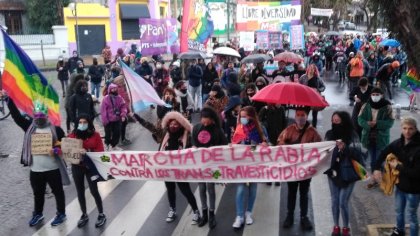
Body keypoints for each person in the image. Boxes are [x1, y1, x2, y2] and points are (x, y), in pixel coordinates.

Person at [2, 91, 68, 227]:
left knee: (58, 192)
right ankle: (38, 213)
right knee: (38, 193)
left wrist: (56, 150)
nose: (39, 118)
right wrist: (8, 100)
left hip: (53, 168)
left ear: (46, 115)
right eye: (36, 116)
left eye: (41, 116)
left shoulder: (56, 130)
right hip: (36, 169)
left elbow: (66, 146)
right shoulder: (29, 128)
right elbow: (16, 117)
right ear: (33, 116)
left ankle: (61, 213)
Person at [373, 117, 420, 236]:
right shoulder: (398, 143)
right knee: (399, 212)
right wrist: (376, 168)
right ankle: (400, 231)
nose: (407, 132)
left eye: (410, 129)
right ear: (401, 128)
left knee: (412, 216)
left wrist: (397, 167)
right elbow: (384, 152)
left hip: (414, 190)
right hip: (400, 187)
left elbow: (416, 173)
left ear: (415, 129)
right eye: (404, 128)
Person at [277, 107, 322, 231]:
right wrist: (288, 146)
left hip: (305, 169)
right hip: (292, 169)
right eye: (298, 115)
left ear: (306, 116)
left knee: (304, 193)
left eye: (303, 115)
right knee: (291, 193)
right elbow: (280, 142)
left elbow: (320, 147)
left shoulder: (313, 132)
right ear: (295, 116)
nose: (300, 117)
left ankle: (304, 217)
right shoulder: (289, 129)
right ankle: (289, 216)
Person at [159, 111, 202, 224]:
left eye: (176, 124)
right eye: (171, 123)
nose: (173, 126)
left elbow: (194, 148)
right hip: (167, 169)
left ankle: (196, 211)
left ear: (181, 125)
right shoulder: (165, 134)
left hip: (181, 170)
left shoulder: (187, 135)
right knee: (170, 190)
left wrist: (193, 147)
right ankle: (172, 209)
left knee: (186, 191)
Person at [324, 111, 362, 236]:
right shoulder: (329, 134)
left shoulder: (352, 135)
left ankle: (345, 228)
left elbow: (358, 154)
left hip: (348, 173)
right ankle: (336, 226)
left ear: (344, 121)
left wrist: (345, 148)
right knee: (334, 201)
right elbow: (324, 153)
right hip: (334, 173)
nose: (334, 123)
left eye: (337, 121)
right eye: (333, 121)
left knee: (342, 202)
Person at [231, 106, 267, 229]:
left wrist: (264, 144)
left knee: (252, 189)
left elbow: (267, 144)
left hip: (255, 164)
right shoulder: (239, 128)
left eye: (244, 116)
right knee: (240, 189)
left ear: (251, 116)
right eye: (241, 116)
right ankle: (239, 216)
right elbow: (234, 144)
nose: (242, 119)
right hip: (241, 164)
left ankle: (248, 213)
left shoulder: (260, 129)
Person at [191, 107, 228, 229]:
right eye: (203, 121)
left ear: (212, 120)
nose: (205, 124)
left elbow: (225, 146)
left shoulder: (218, 130)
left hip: (214, 166)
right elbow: (193, 144)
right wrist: (195, 148)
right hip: (200, 165)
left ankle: (212, 214)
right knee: (201, 188)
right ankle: (204, 213)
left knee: (211, 188)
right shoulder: (196, 128)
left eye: (207, 122)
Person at [68, 115, 107, 228]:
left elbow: (100, 151)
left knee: (94, 190)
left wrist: (87, 151)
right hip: (77, 167)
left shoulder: (96, 135)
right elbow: (67, 149)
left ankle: (101, 213)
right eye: (80, 122)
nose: (82, 124)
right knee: (80, 192)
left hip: (90, 167)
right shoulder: (73, 135)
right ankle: (84, 214)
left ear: (89, 123)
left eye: (85, 122)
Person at [358, 87, 394, 189]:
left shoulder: (387, 107)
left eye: (377, 95)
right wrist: (367, 124)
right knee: (372, 160)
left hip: (381, 138)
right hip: (368, 137)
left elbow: (390, 122)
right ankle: (375, 179)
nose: (375, 97)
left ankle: (381, 180)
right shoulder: (366, 105)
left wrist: (377, 123)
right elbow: (360, 119)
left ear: (382, 95)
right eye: (373, 95)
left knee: (379, 160)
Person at [100, 83, 128, 151]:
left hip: (117, 119)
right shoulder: (105, 99)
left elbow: (123, 106)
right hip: (108, 120)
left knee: (117, 133)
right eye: (113, 88)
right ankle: (107, 144)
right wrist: (105, 120)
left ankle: (114, 145)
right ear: (110, 89)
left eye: (115, 88)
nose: (114, 90)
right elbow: (103, 110)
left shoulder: (119, 98)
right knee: (108, 134)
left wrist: (123, 115)